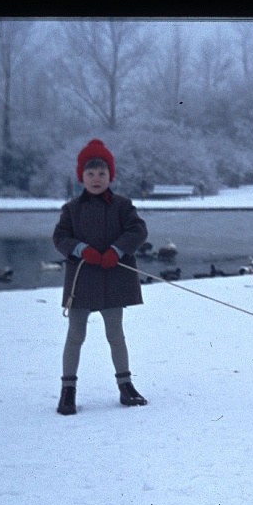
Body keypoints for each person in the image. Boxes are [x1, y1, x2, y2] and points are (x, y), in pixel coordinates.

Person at [53, 139, 149, 415]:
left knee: (115, 334)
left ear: (110, 176)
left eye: (102, 174)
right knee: (75, 335)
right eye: (90, 174)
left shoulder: (122, 206)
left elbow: (138, 230)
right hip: (81, 282)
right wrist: (81, 249)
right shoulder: (71, 210)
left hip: (113, 278)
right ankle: (67, 391)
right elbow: (60, 237)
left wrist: (117, 250)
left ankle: (126, 386)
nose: (96, 179)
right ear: (81, 177)